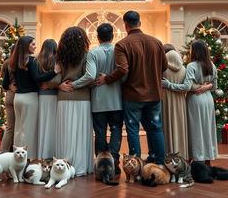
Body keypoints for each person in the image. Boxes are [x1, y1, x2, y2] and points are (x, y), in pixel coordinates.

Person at [97, 11, 168, 165]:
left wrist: (106, 79)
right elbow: (164, 66)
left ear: (126, 25)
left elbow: (123, 69)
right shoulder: (156, 42)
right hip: (154, 94)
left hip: (133, 96)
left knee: (133, 130)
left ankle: (136, 164)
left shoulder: (123, 44)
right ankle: (160, 162)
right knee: (155, 128)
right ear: (139, 23)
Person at [63, 23, 123, 174]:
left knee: (100, 132)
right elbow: (125, 75)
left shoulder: (93, 54)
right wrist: (113, 79)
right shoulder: (120, 52)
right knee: (116, 131)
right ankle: (114, 160)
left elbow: (90, 75)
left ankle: (103, 164)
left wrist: (74, 84)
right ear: (113, 36)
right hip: (117, 99)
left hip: (98, 100)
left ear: (97, 37)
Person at [162, 39, 218, 165]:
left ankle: (195, 158)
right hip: (208, 100)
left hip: (195, 100)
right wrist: (205, 87)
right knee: (207, 128)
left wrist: (168, 84)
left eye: (191, 49)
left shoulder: (191, 66)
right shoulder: (212, 65)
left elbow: (186, 87)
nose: (189, 51)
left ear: (195, 51)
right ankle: (208, 159)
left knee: (195, 130)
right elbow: (214, 86)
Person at [2, 36, 59, 159]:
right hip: (30, 98)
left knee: (18, 129)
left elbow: (4, 84)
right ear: (25, 46)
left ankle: (16, 158)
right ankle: (30, 159)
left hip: (17, 98)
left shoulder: (11, 62)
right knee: (29, 131)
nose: (35, 46)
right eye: (32, 44)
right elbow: (37, 78)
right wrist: (54, 72)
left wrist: (11, 87)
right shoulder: (32, 61)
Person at [47, 27, 94, 176]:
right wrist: (77, 84)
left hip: (63, 99)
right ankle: (80, 166)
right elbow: (90, 77)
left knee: (65, 132)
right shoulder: (87, 56)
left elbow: (54, 80)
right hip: (83, 99)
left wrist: (60, 85)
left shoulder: (60, 58)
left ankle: (66, 165)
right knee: (80, 133)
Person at [162, 48, 189, 159]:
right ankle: (182, 155)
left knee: (166, 127)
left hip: (165, 102)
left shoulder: (162, 69)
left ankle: (167, 155)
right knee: (180, 128)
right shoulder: (184, 69)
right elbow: (188, 87)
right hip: (180, 103)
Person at [36, 39, 58, 159]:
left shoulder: (37, 60)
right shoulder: (57, 60)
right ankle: (52, 153)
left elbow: (36, 78)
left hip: (41, 96)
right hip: (54, 96)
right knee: (53, 127)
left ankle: (42, 154)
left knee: (42, 125)